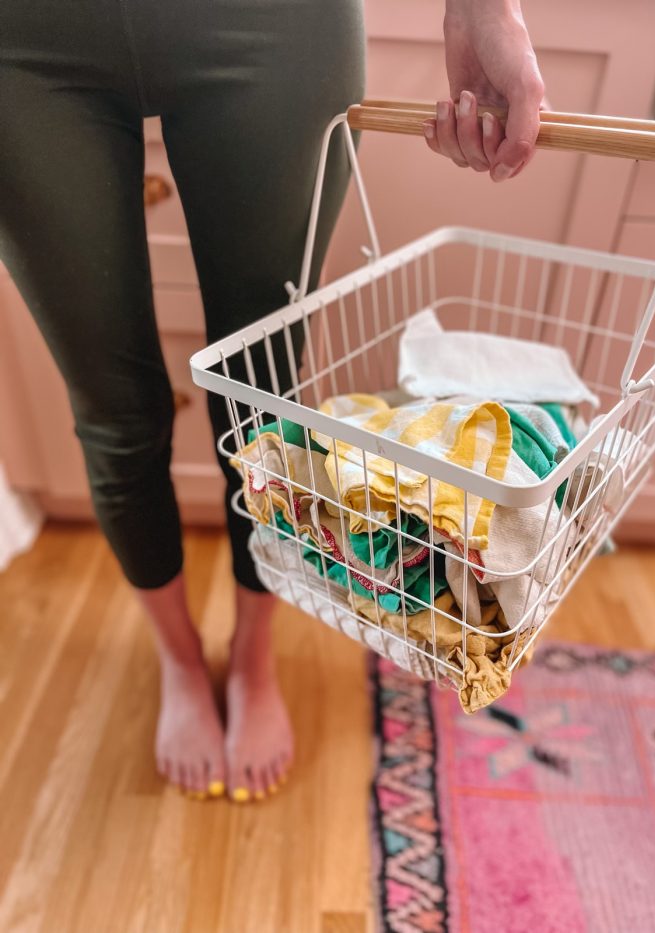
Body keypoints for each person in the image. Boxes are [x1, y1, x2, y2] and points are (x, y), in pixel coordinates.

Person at [0, 0, 543, 802]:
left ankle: (253, 655)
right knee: (115, 412)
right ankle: (181, 660)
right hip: (24, 36)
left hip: (272, 21)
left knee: (262, 400)